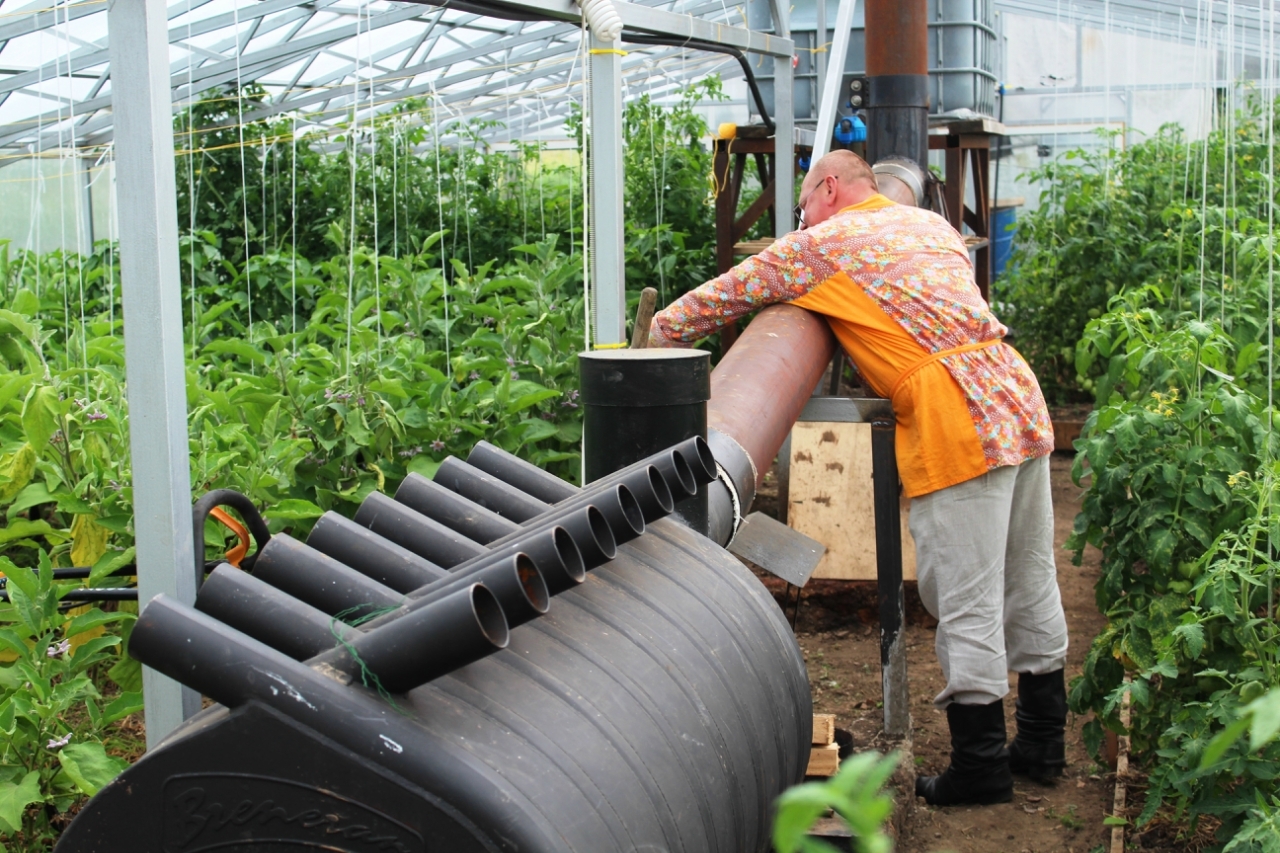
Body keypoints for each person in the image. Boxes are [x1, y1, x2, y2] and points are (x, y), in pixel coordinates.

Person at [648, 150, 1069, 807]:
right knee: (1030, 572)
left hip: (956, 414)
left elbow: (725, 295)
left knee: (966, 594)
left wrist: (659, 333)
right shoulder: (933, 227)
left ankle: (982, 766)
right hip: (1015, 394)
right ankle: (1044, 744)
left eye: (803, 205)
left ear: (831, 188)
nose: (801, 219)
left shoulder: (826, 241)